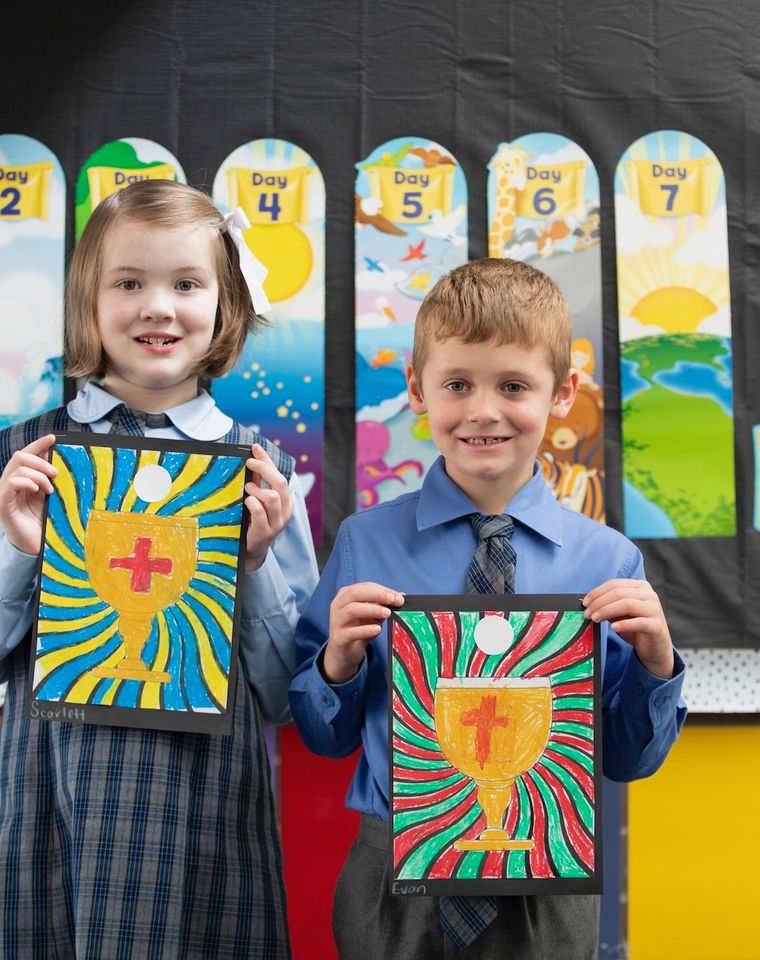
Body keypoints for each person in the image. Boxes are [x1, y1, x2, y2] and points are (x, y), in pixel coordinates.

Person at [290, 258, 686, 960]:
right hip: (391, 881)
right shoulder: (365, 544)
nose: (483, 411)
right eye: (457, 385)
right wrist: (338, 665)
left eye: (513, 386)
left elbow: (628, 759)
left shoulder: (610, 562)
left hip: (547, 879)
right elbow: (326, 739)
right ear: (417, 389)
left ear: (563, 393)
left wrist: (656, 666)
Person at [0, 179, 318, 959]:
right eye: (129, 283)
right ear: (88, 301)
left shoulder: (263, 477)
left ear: (225, 303)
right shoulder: (25, 459)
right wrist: (18, 549)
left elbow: (285, 695)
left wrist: (258, 565)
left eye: (186, 284)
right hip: (50, 800)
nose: (157, 307)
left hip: (205, 803)